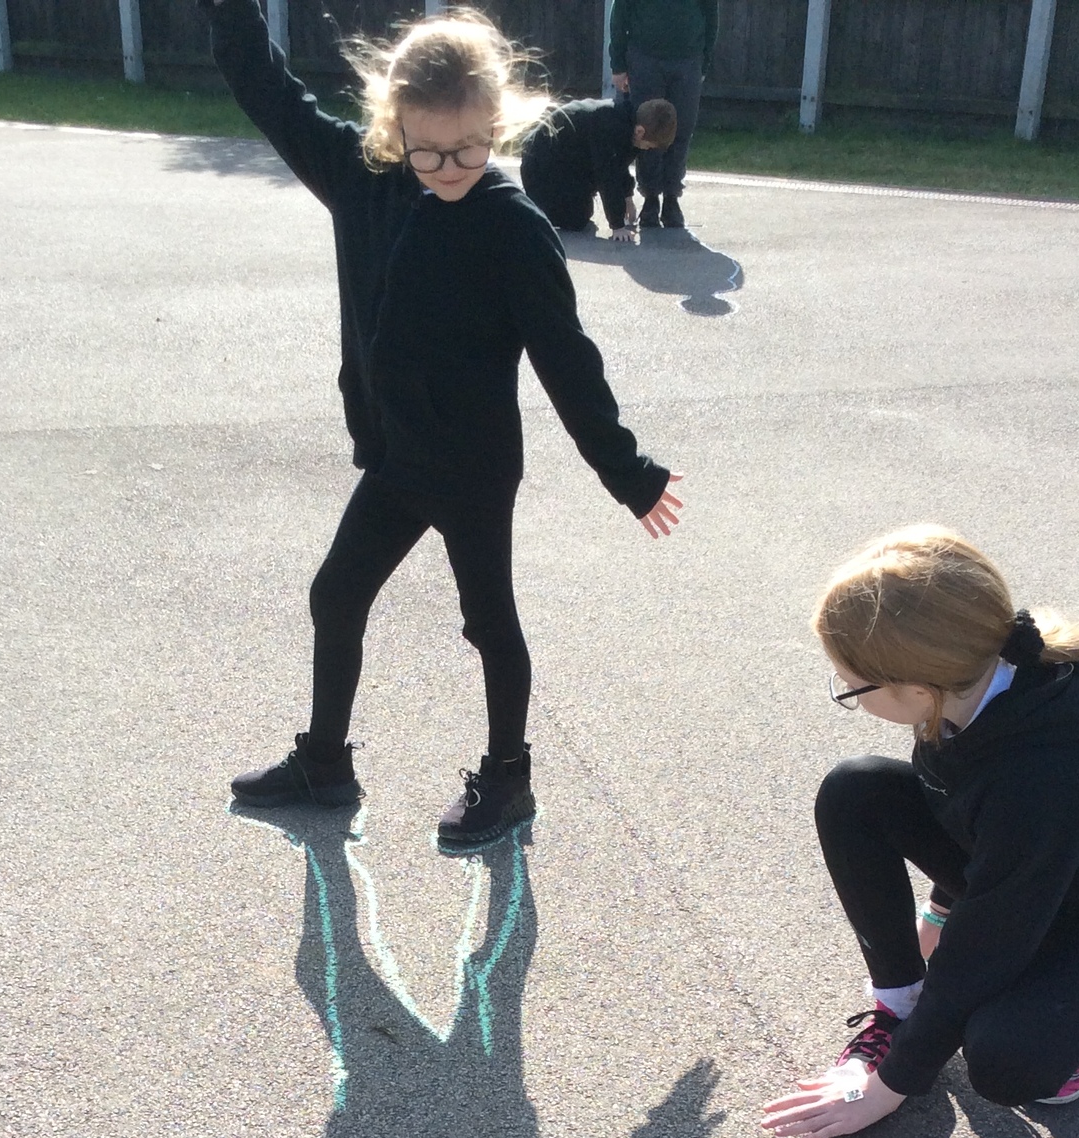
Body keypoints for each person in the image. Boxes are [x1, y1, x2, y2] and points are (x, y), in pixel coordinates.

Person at [207, 0, 683, 851]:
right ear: (395, 128)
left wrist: (627, 471)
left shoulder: (513, 227)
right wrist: (230, 14)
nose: (447, 167)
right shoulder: (360, 179)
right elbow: (268, 91)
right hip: (395, 458)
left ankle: (509, 776)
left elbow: (567, 359)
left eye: (468, 149)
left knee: (488, 623)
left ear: (496, 126)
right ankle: (325, 763)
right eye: (426, 151)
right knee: (336, 593)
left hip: (472, 468)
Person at [762, 526, 1079, 1138]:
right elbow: (971, 817)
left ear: (917, 690)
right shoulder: (971, 677)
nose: (847, 692)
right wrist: (940, 911)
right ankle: (900, 1006)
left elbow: (992, 932)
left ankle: (1067, 1040)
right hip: (1034, 869)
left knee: (1005, 1060)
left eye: (851, 686)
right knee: (856, 790)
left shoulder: (1045, 773)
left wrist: (890, 1085)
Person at [608, 0, 718, 230]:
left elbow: (711, 14)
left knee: (681, 128)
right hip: (645, 58)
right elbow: (620, 14)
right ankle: (650, 197)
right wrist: (618, 64)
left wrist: (704, 62)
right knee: (648, 127)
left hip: (688, 60)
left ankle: (672, 197)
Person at [519, 95, 677, 240]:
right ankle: (530, 207)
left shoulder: (628, 121)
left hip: (567, 162)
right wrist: (617, 225)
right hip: (540, 168)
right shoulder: (607, 125)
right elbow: (607, 175)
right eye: (648, 146)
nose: (646, 150)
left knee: (583, 213)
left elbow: (620, 164)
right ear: (640, 131)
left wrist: (627, 198)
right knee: (576, 220)